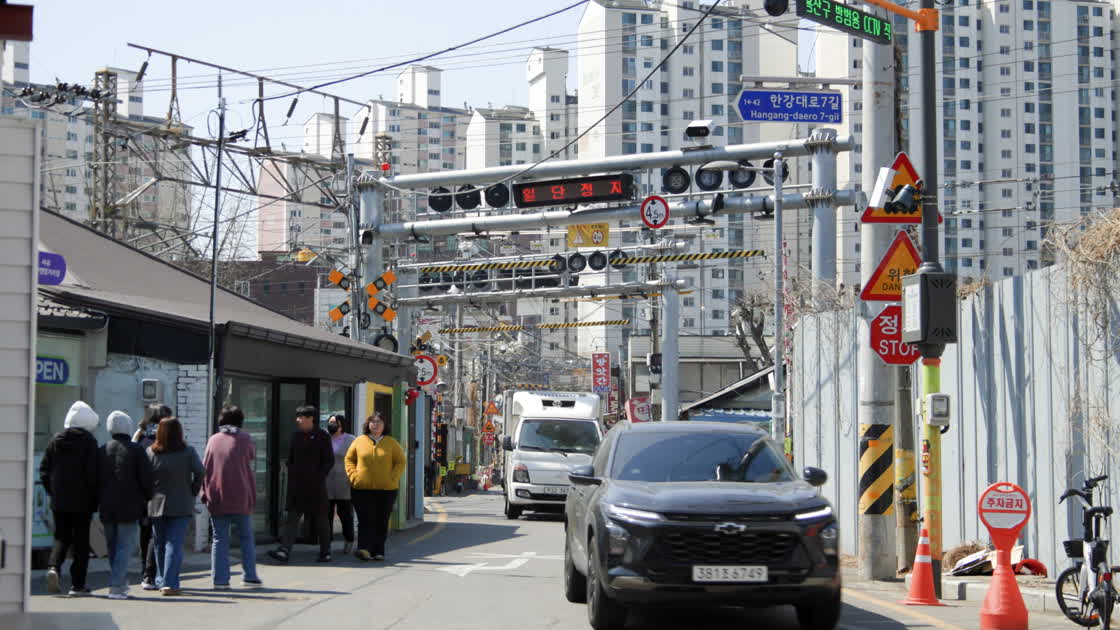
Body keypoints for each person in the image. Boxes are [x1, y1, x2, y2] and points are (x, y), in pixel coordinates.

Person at [39, 401, 101, 596]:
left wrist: (52, 491)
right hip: (83, 501)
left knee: (61, 536)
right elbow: (93, 474)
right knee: (81, 541)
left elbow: (44, 470)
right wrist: (95, 498)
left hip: (59, 500)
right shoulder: (89, 442)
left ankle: (53, 567)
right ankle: (78, 585)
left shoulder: (55, 441)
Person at [201, 405, 263, 590]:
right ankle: (249, 576)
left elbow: (206, 467)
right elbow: (251, 457)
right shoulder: (244, 438)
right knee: (246, 537)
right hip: (241, 495)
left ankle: (220, 580)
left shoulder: (213, 440)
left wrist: (204, 493)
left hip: (217, 495)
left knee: (219, 539)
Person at [98, 411, 154, 600]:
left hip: (106, 506)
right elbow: (146, 479)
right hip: (130, 506)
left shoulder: (102, 449)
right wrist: (147, 498)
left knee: (113, 547)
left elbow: (94, 480)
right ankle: (116, 586)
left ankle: (119, 582)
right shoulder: (136, 451)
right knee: (124, 546)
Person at [147, 417, 204, 596]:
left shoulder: (151, 452)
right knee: (174, 543)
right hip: (181, 502)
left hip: (156, 503)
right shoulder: (188, 452)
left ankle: (161, 579)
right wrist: (194, 489)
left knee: (160, 543)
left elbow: (144, 477)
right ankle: (170, 583)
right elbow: (200, 471)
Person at [269, 405, 333, 563]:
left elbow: (329, 461)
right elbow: (291, 458)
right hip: (297, 486)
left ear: (311, 418)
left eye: (301, 417)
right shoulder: (296, 436)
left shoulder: (322, 436)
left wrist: (319, 476)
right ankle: (284, 550)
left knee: (321, 519)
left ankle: (325, 552)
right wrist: (291, 471)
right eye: (297, 417)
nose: (298, 420)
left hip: (316, 486)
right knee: (292, 518)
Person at [345, 413, 405, 562]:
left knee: (381, 521)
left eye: (379, 422)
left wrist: (392, 478)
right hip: (361, 489)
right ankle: (364, 549)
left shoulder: (391, 443)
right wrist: (354, 476)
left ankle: (378, 551)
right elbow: (349, 459)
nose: (376, 425)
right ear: (368, 425)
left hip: (386, 490)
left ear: (384, 426)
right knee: (365, 520)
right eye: (372, 422)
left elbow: (400, 462)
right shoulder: (359, 441)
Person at [134, 403, 172, 590]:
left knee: (145, 533)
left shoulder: (140, 437)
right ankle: (151, 573)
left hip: (141, 493)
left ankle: (146, 571)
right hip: (159, 492)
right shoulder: (165, 439)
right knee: (157, 535)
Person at [325, 413, 356, 555]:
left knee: (345, 515)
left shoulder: (351, 440)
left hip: (344, 483)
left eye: (334, 423)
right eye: (330, 422)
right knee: (326, 515)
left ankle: (349, 539)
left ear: (341, 425)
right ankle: (326, 543)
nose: (331, 425)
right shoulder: (325, 439)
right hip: (327, 482)